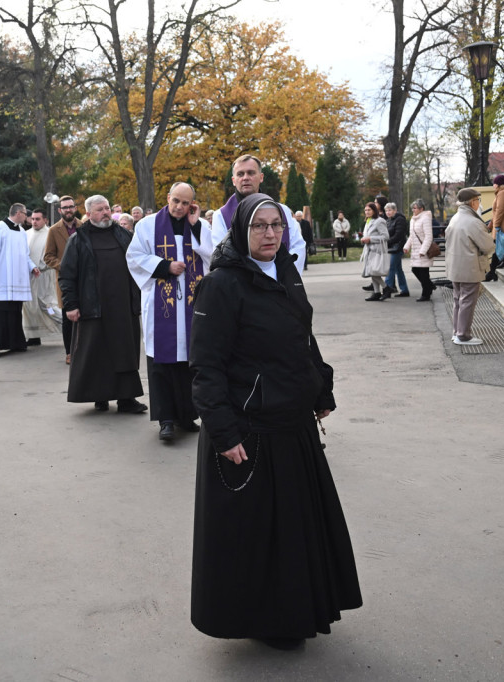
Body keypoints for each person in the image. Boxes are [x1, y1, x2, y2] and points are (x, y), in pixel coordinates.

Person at [188, 192, 361, 648]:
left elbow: (302, 337)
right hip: (250, 431)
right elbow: (206, 366)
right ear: (241, 231)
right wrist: (223, 432)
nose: (270, 234)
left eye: (277, 225)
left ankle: (297, 613)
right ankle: (266, 622)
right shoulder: (222, 285)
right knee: (260, 536)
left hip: (292, 424)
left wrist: (319, 388)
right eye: (260, 226)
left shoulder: (286, 271)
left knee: (296, 530)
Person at [126, 182, 210, 442]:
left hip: (192, 307)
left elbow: (213, 255)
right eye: (176, 201)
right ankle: (166, 420)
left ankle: (187, 415)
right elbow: (134, 256)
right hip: (161, 307)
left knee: (189, 363)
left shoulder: (200, 226)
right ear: (168, 198)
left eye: (186, 203)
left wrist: (195, 226)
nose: (179, 207)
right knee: (162, 365)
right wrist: (164, 266)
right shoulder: (147, 225)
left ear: (192, 204)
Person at [59, 195, 146, 414]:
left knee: (125, 351)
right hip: (93, 306)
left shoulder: (125, 235)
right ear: (88, 214)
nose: (105, 212)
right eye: (99, 210)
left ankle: (127, 399)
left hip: (123, 307)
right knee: (96, 353)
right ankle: (100, 396)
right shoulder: (79, 239)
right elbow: (67, 275)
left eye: (107, 208)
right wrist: (71, 305)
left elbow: (139, 264)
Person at [212, 154, 307, 275]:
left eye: (251, 173)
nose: (245, 178)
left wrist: (280, 276)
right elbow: (222, 256)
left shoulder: (283, 211)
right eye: (240, 174)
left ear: (261, 177)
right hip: (242, 286)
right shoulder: (221, 216)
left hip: (281, 282)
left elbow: (298, 247)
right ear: (233, 181)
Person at [0, 203, 40, 357]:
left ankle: (16, 343)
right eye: (25, 214)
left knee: (14, 313)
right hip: (1, 278)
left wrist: (32, 267)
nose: (27, 217)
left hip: (17, 279)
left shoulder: (22, 232)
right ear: (18, 213)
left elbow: (25, 254)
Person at [445, 188, 495, 345]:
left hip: (455, 266)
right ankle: (463, 335)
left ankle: (457, 332)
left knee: (458, 300)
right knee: (467, 301)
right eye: (478, 200)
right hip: (470, 266)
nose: (479, 203)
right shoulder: (473, 221)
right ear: (473, 202)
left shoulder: (455, 218)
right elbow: (488, 246)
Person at [45, 196, 82, 363]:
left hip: (84, 278)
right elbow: (48, 257)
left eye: (71, 207)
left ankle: (85, 350)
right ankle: (70, 352)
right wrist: (64, 266)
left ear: (75, 208)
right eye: (65, 207)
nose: (68, 210)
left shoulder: (84, 227)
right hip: (65, 280)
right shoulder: (54, 230)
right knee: (68, 317)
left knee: (85, 315)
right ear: (60, 210)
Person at [22, 207, 62, 345]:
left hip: (45, 275)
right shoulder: (26, 234)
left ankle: (69, 325)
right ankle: (33, 335)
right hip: (30, 277)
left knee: (48, 305)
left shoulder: (51, 233)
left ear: (46, 219)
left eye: (37, 219)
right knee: (29, 307)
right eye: (32, 219)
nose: (34, 222)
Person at [404, 199, 436, 302]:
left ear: (421, 209)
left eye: (415, 208)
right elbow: (412, 236)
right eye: (412, 208)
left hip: (423, 250)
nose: (413, 210)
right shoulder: (413, 219)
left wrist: (423, 250)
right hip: (416, 250)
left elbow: (428, 236)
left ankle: (426, 293)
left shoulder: (425, 218)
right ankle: (430, 286)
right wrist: (406, 246)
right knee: (415, 270)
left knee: (423, 273)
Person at [360, 201, 389, 301]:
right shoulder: (368, 221)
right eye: (365, 210)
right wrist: (364, 239)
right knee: (372, 272)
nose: (367, 212)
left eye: (369, 210)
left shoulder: (380, 221)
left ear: (374, 210)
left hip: (377, 250)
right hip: (369, 250)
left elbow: (385, 236)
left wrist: (370, 239)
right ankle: (376, 292)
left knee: (373, 271)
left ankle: (386, 288)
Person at [382, 202, 410, 298]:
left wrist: (387, 242)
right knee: (398, 269)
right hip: (392, 247)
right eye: (386, 210)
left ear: (395, 210)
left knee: (390, 268)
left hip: (397, 247)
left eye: (390, 210)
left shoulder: (400, 220)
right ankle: (404, 290)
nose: (388, 212)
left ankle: (387, 289)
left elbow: (398, 235)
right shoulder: (389, 220)